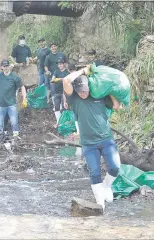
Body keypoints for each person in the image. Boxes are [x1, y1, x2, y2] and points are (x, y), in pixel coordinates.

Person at [62, 65, 121, 211]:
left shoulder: (99, 95)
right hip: (88, 143)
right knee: (94, 172)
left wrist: (110, 90)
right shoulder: (74, 99)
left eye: (85, 91)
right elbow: (65, 80)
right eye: (80, 91)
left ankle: (107, 187)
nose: (83, 94)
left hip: (106, 139)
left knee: (115, 167)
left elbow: (117, 106)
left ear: (90, 88)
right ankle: (100, 204)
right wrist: (83, 71)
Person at [0, 59, 27, 137]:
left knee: (14, 122)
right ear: (1, 67)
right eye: (4, 66)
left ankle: (16, 137)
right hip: (0, 104)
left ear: (9, 66)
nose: (6, 67)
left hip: (11, 104)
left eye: (7, 66)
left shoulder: (14, 77)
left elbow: (22, 87)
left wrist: (24, 99)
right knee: (0, 123)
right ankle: (0, 138)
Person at [51, 59, 70, 126]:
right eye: (58, 64)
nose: (60, 65)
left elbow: (68, 80)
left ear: (63, 64)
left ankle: (65, 122)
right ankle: (58, 122)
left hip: (64, 92)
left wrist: (60, 79)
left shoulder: (66, 72)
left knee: (64, 107)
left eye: (61, 64)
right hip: (56, 92)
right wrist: (54, 79)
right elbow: (52, 79)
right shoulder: (56, 71)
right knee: (56, 107)